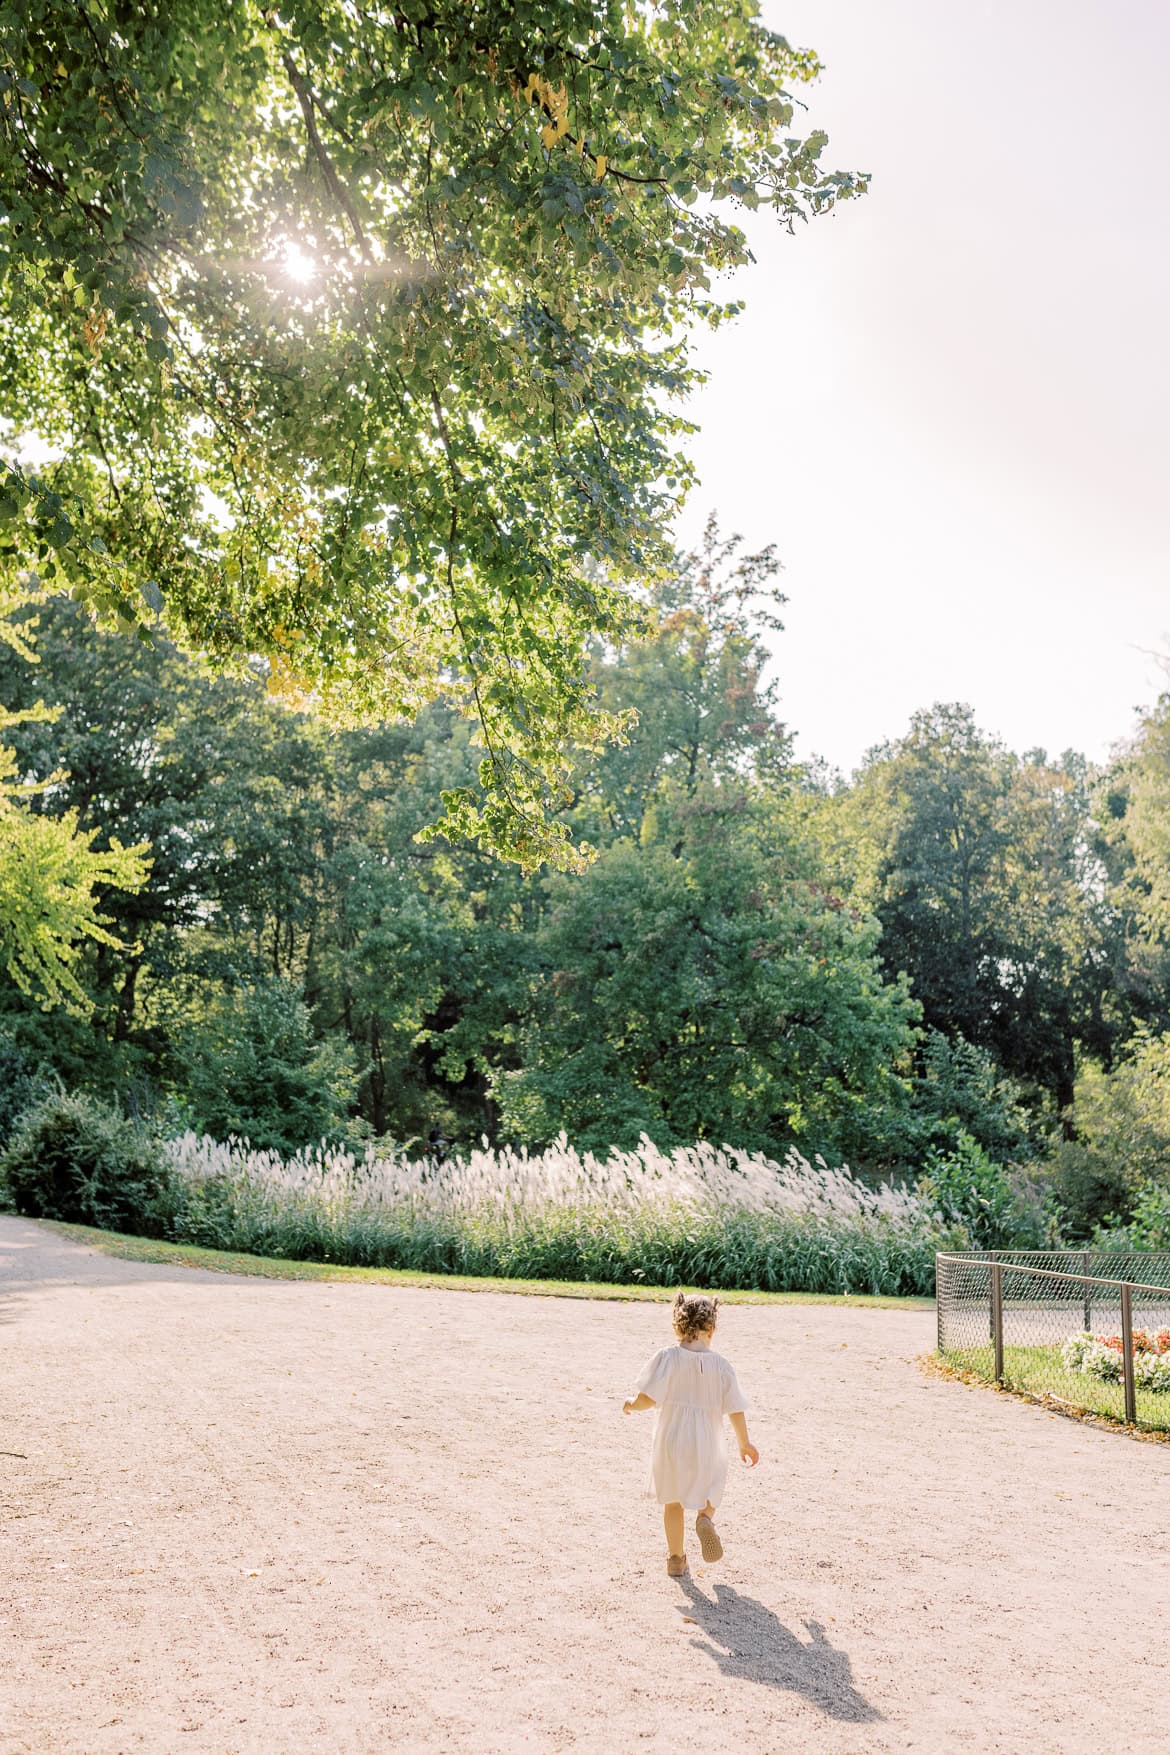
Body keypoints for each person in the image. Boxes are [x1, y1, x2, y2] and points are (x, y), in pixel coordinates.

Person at [623, 1291, 759, 1578]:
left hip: (672, 1439)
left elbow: (648, 1397)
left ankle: (675, 1559)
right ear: (712, 1330)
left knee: (672, 1501)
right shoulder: (721, 1366)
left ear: (677, 1327)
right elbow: (735, 1407)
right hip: (708, 1441)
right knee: (712, 1486)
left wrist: (632, 1406)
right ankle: (705, 1517)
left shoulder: (668, 1358)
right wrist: (744, 1443)